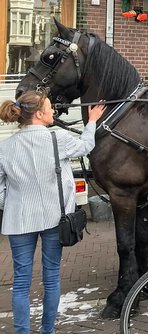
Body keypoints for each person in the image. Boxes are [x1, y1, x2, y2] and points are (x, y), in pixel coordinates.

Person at [0, 91, 105, 334]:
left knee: (21, 282)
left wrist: (15, 203)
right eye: (49, 108)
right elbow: (87, 145)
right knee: (51, 278)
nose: (53, 112)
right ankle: (47, 331)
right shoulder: (59, 138)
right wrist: (91, 121)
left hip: (18, 221)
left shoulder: (6, 148)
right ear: (39, 114)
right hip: (53, 219)